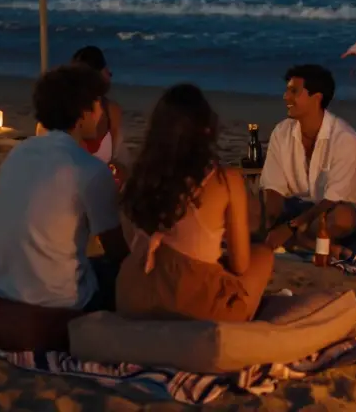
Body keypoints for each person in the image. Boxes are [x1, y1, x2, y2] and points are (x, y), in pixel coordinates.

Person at [115, 84, 274, 322]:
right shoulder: (224, 180)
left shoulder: (137, 180)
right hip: (192, 302)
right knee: (262, 255)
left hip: (135, 294)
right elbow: (240, 265)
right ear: (207, 130)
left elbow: (135, 245)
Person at [0, 64, 129, 311]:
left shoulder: (17, 154)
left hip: (4, 286)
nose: (101, 114)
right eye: (97, 105)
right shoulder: (88, 168)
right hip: (61, 300)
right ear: (82, 112)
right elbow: (116, 250)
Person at [258, 64, 356, 253]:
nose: (286, 97)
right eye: (287, 91)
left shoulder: (344, 137)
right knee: (248, 205)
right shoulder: (282, 131)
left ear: (316, 98)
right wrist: (270, 220)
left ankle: (300, 240)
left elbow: (333, 198)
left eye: (294, 92)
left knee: (342, 218)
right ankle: (304, 243)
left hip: (328, 210)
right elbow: (274, 186)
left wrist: (291, 227)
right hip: (293, 208)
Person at [68, 46, 131, 179]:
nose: (109, 73)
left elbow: (120, 163)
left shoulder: (111, 111)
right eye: (105, 69)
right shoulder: (64, 117)